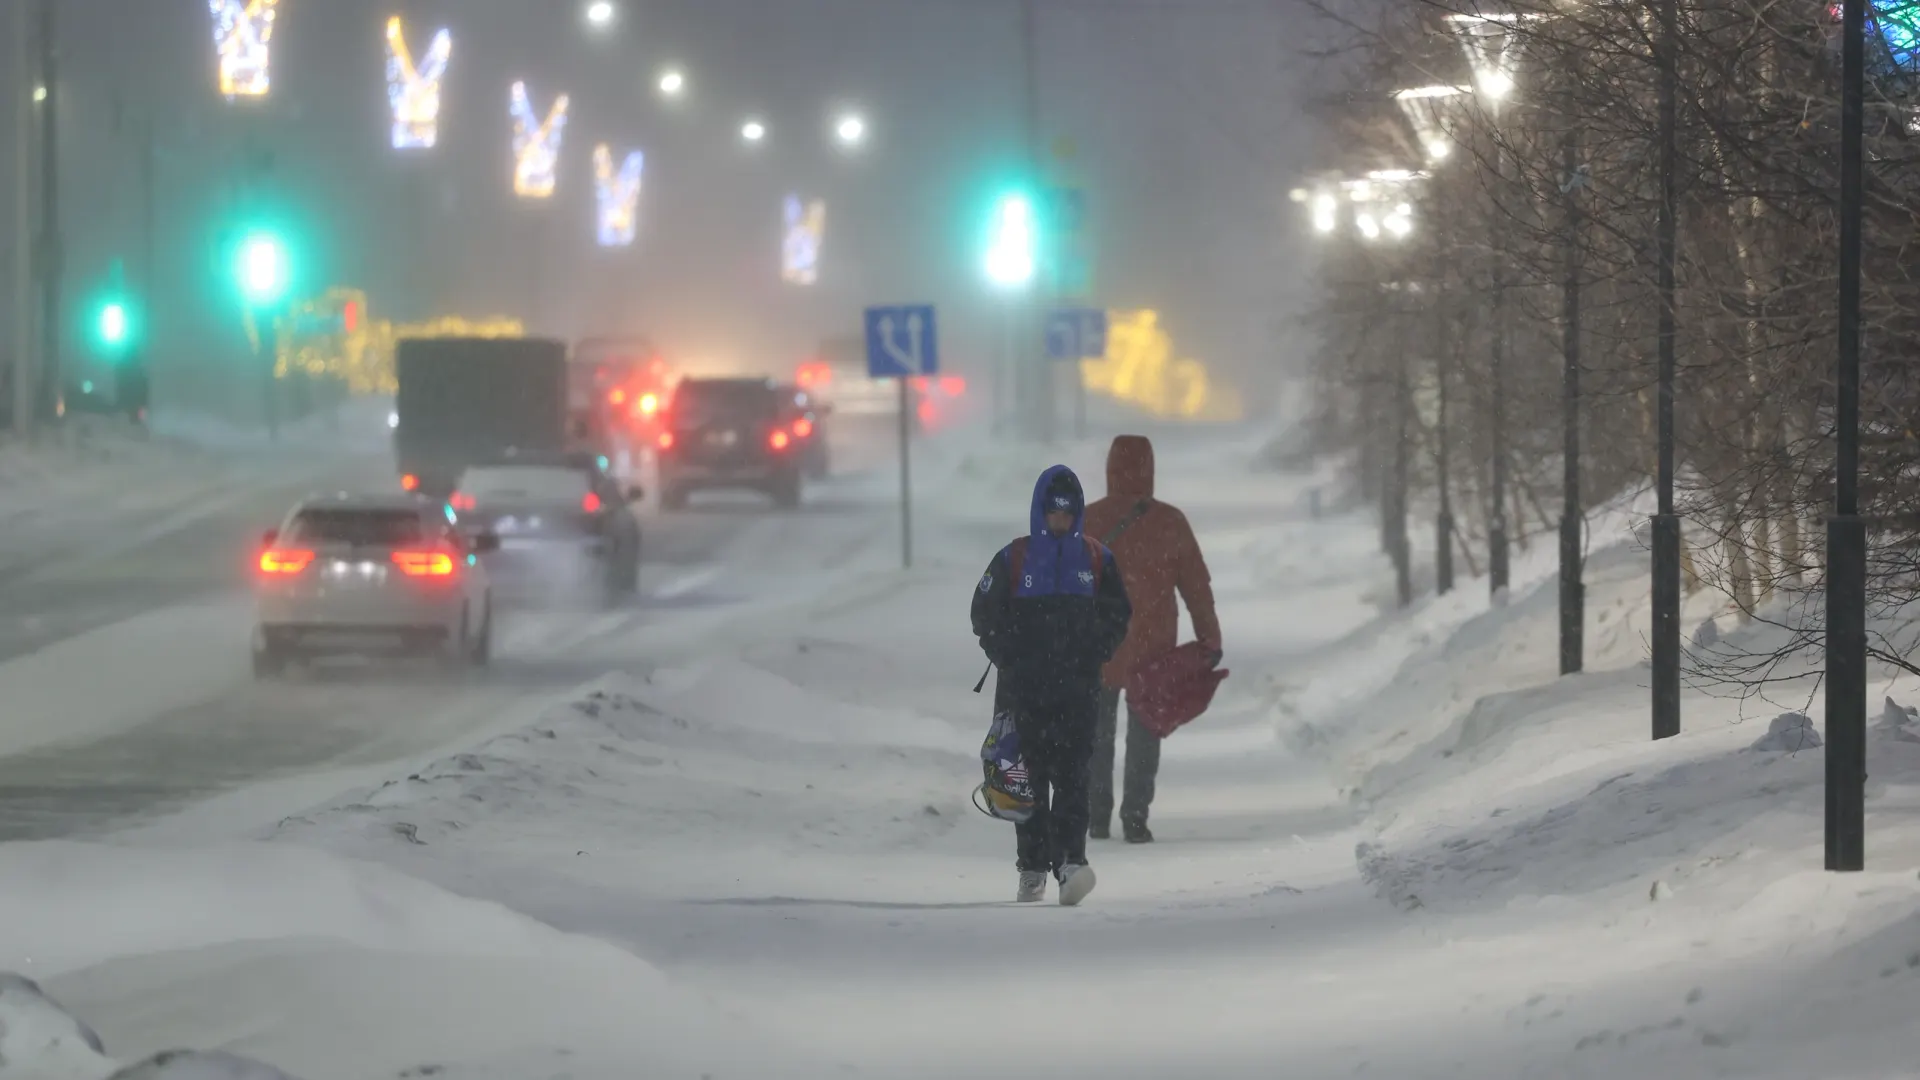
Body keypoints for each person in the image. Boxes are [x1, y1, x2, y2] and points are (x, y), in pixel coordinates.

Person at [971, 465, 1132, 906]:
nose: (1059, 521)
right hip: (1025, 692)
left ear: (1076, 514)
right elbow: (983, 611)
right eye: (1052, 513)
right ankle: (1032, 868)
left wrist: (1096, 649)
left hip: (1078, 692)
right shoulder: (1014, 558)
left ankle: (1071, 864)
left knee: (1075, 779)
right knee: (1028, 782)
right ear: (1039, 513)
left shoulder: (1097, 560)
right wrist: (1007, 654)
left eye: (1066, 514)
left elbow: (1119, 613)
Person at [1081, 435, 1222, 844]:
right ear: (1150, 470)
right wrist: (1208, 637)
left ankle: (1095, 815)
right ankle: (1136, 816)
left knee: (1096, 733)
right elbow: (1197, 586)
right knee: (1145, 730)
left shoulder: (1087, 522)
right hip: (1152, 646)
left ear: (1109, 470)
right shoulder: (1170, 522)